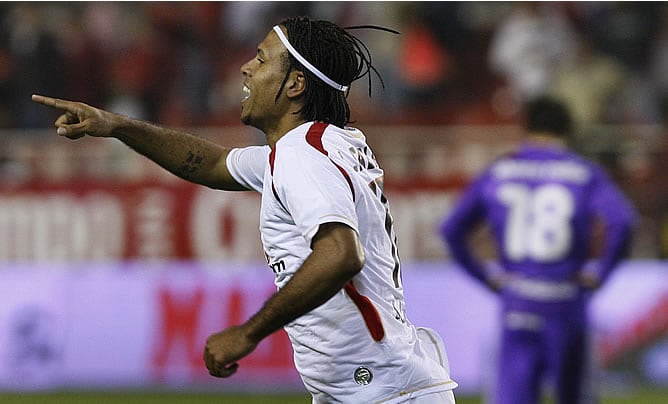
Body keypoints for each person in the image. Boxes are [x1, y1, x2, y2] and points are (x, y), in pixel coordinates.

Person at [32, 16, 457, 403]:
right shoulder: (320, 146)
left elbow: (341, 254)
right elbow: (213, 163)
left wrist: (247, 333)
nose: (245, 68)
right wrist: (118, 126)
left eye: (261, 59)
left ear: (295, 85)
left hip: (383, 391)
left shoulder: (302, 156)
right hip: (378, 386)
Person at [440, 96, 635, 404]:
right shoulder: (583, 172)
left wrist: (487, 277)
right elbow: (622, 222)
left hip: (518, 300)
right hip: (566, 300)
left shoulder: (501, 171)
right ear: (568, 132)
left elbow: (451, 229)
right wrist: (600, 272)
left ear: (526, 129)